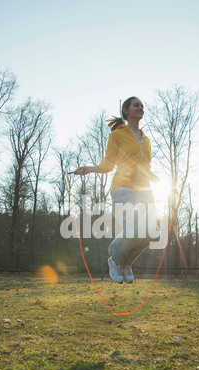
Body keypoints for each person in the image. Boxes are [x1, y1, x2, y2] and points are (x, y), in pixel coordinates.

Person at [74, 96, 160, 283]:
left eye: (142, 106)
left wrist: (156, 178)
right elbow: (108, 164)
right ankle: (115, 258)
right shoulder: (117, 135)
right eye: (136, 105)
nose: (141, 108)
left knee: (153, 234)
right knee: (135, 230)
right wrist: (90, 169)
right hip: (123, 189)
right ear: (126, 111)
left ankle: (125, 262)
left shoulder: (146, 140)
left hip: (145, 191)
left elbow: (145, 166)